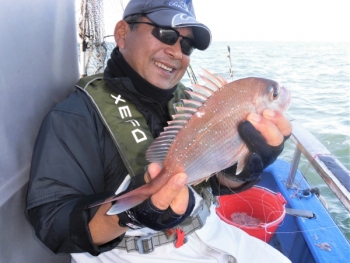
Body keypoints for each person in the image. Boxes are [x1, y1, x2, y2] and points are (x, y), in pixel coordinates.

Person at [26, 0, 292, 262]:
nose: (176, 51)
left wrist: (248, 165)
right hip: (133, 253)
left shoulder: (190, 103)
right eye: (166, 34)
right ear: (122, 34)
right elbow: (51, 224)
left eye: (186, 44)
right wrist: (130, 215)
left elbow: (211, 180)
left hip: (210, 232)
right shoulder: (76, 117)